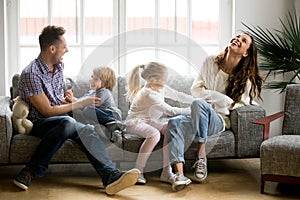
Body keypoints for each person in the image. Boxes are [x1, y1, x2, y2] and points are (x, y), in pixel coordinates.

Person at [13, 25, 140, 196]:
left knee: (87, 129)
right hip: (38, 123)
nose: (67, 50)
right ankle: (30, 171)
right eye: (64, 46)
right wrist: (79, 104)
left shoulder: (58, 68)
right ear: (52, 48)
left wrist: (67, 100)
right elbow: (46, 111)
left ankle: (110, 176)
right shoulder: (31, 74)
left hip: (62, 119)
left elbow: (55, 100)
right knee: (68, 121)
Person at [166, 33, 264, 184]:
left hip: (218, 120)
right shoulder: (210, 62)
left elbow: (241, 104)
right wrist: (221, 98)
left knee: (199, 103)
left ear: (246, 53)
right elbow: (195, 90)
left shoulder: (246, 79)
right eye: (237, 36)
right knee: (174, 122)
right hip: (198, 115)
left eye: (243, 40)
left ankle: (201, 155)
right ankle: (179, 175)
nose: (237, 39)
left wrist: (218, 104)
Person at [125, 62, 194, 191]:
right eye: (164, 79)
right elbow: (172, 111)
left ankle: (166, 172)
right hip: (135, 122)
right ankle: (138, 170)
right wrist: (192, 110)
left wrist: (196, 100)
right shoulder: (149, 94)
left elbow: (177, 95)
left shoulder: (159, 87)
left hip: (149, 121)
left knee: (170, 128)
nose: (165, 81)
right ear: (153, 80)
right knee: (154, 134)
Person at [65, 66, 125, 141]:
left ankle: (114, 123)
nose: (91, 80)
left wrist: (73, 101)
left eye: (95, 79)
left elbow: (88, 104)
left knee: (88, 110)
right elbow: (80, 102)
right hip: (99, 118)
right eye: (92, 77)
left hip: (112, 115)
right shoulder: (91, 92)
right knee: (88, 122)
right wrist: (69, 99)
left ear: (105, 83)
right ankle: (108, 131)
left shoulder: (104, 92)